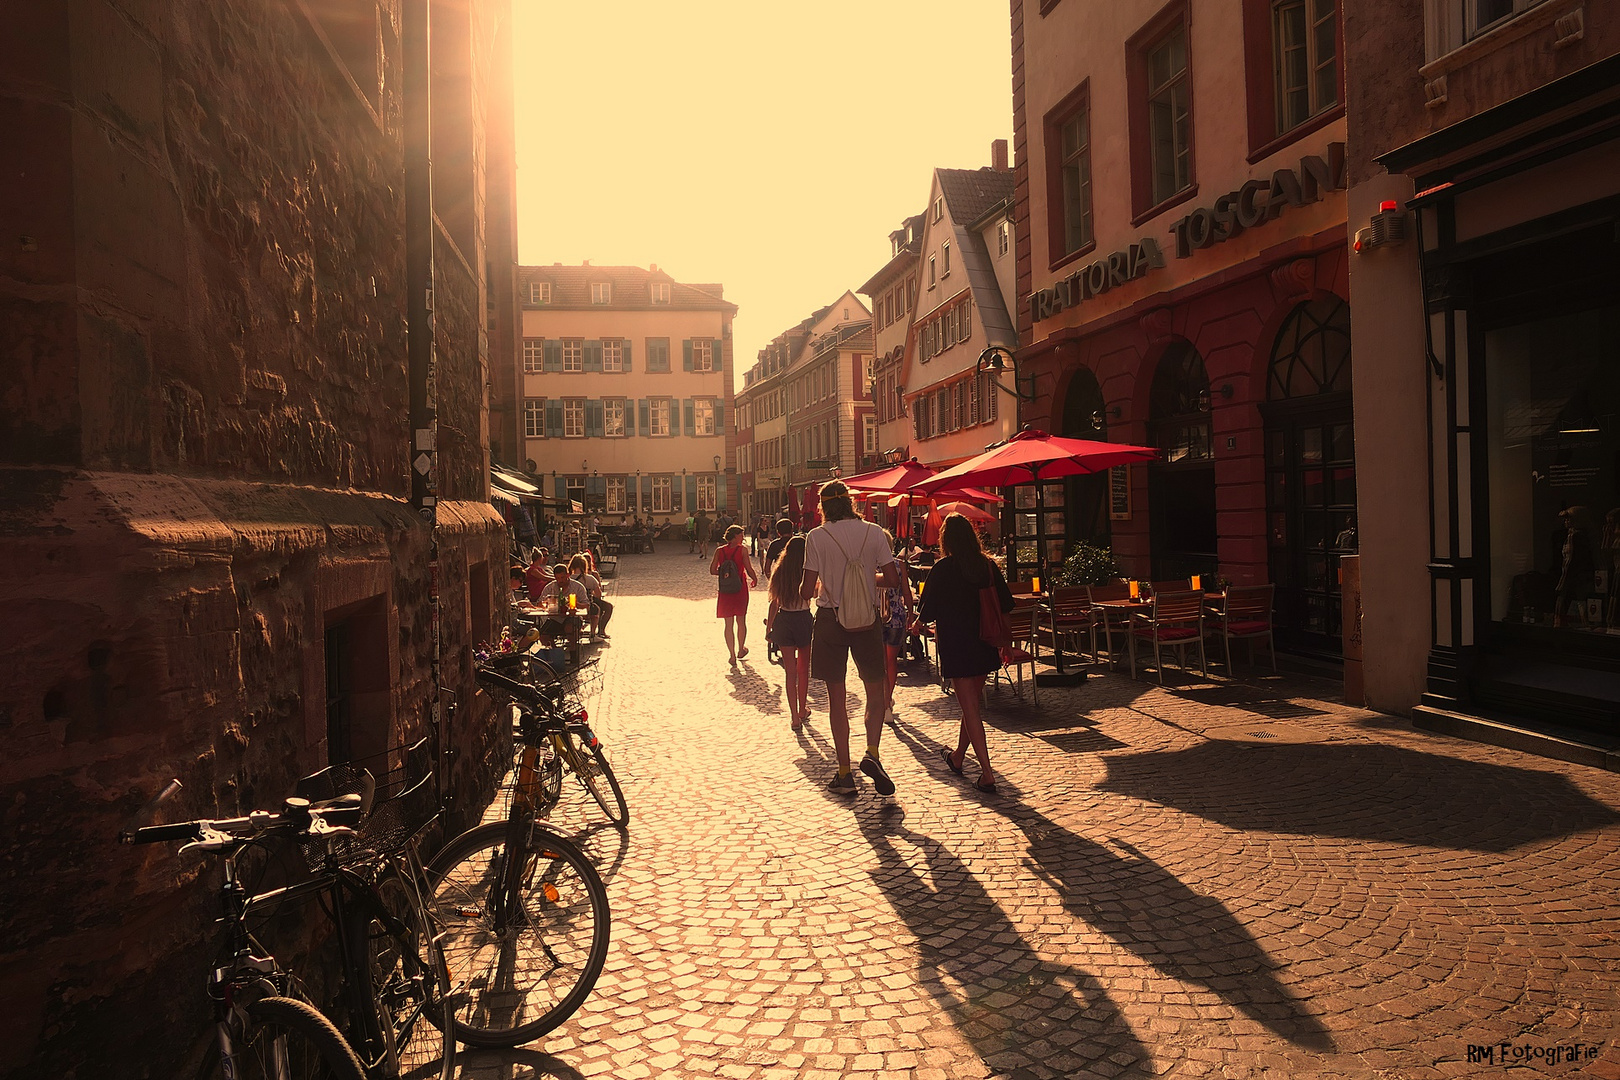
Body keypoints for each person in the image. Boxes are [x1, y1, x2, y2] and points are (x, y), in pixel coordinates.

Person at [801, 480, 903, 797]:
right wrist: (862, 578)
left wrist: (833, 581)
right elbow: (893, 578)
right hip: (866, 619)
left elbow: (807, 590)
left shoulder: (816, 537)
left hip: (831, 619)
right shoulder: (873, 532)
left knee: (837, 700)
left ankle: (845, 773)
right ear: (850, 502)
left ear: (823, 506)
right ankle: (871, 751)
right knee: (876, 690)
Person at [917, 514, 1014, 794]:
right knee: (970, 706)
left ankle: (987, 773)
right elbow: (1005, 605)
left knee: (970, 708)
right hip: (983, 641)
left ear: (945, 540)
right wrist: (1005, 642)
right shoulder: (986, 567)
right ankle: (958, 756)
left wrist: (917, 624)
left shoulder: (943, 568)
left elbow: (929, 610)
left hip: (956, 643)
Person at [767, 535, 813, 731]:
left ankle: (794, 716)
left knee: (790, 672)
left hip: (784, 620)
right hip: (803, 618)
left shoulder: (780, 570)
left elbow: (774, 602)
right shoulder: (808, 570)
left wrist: (769, 627)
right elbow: (814, 593)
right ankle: (802, 709)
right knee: (803, 670)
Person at [879, 529, 914, 727]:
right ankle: (887, 702)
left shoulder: (871, 565)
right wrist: (910, 613)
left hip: (876, 617)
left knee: (881, 663)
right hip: (896, 617)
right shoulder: (899, 565)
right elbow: (906, 592)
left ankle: (884, 703)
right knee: (891, 662)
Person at [711, 524, 758, 664]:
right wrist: (754, 578)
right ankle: (741, 649)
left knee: (728, 623)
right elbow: (748, 568)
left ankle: (731, 654)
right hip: (740, 588)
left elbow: (713, 570)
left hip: (725, 590)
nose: (743, 538)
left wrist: (725, 573)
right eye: (741, 535)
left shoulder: (720, 551)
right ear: (735, 536)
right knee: (741, 621)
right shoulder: (742, 550)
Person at [536, 563, 590, 645]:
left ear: (568, 575)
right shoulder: (550, 587)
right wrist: (546, 602)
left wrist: (576, 603)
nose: (560, 581)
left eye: (562, 577)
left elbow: (587, 606)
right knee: (543, 635)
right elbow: (539, 603)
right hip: (555, 618)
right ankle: (554, 652)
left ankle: (573, 653)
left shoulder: (577, 587)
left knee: (570, 629)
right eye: (557, 578)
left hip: (573, 617)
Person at [569, 553, 613, 638]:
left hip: (572, 604)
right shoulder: (589, 578)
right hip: (588, 603)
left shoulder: (569, 578)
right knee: (607, 607)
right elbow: (598, 594)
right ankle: (598, 631)